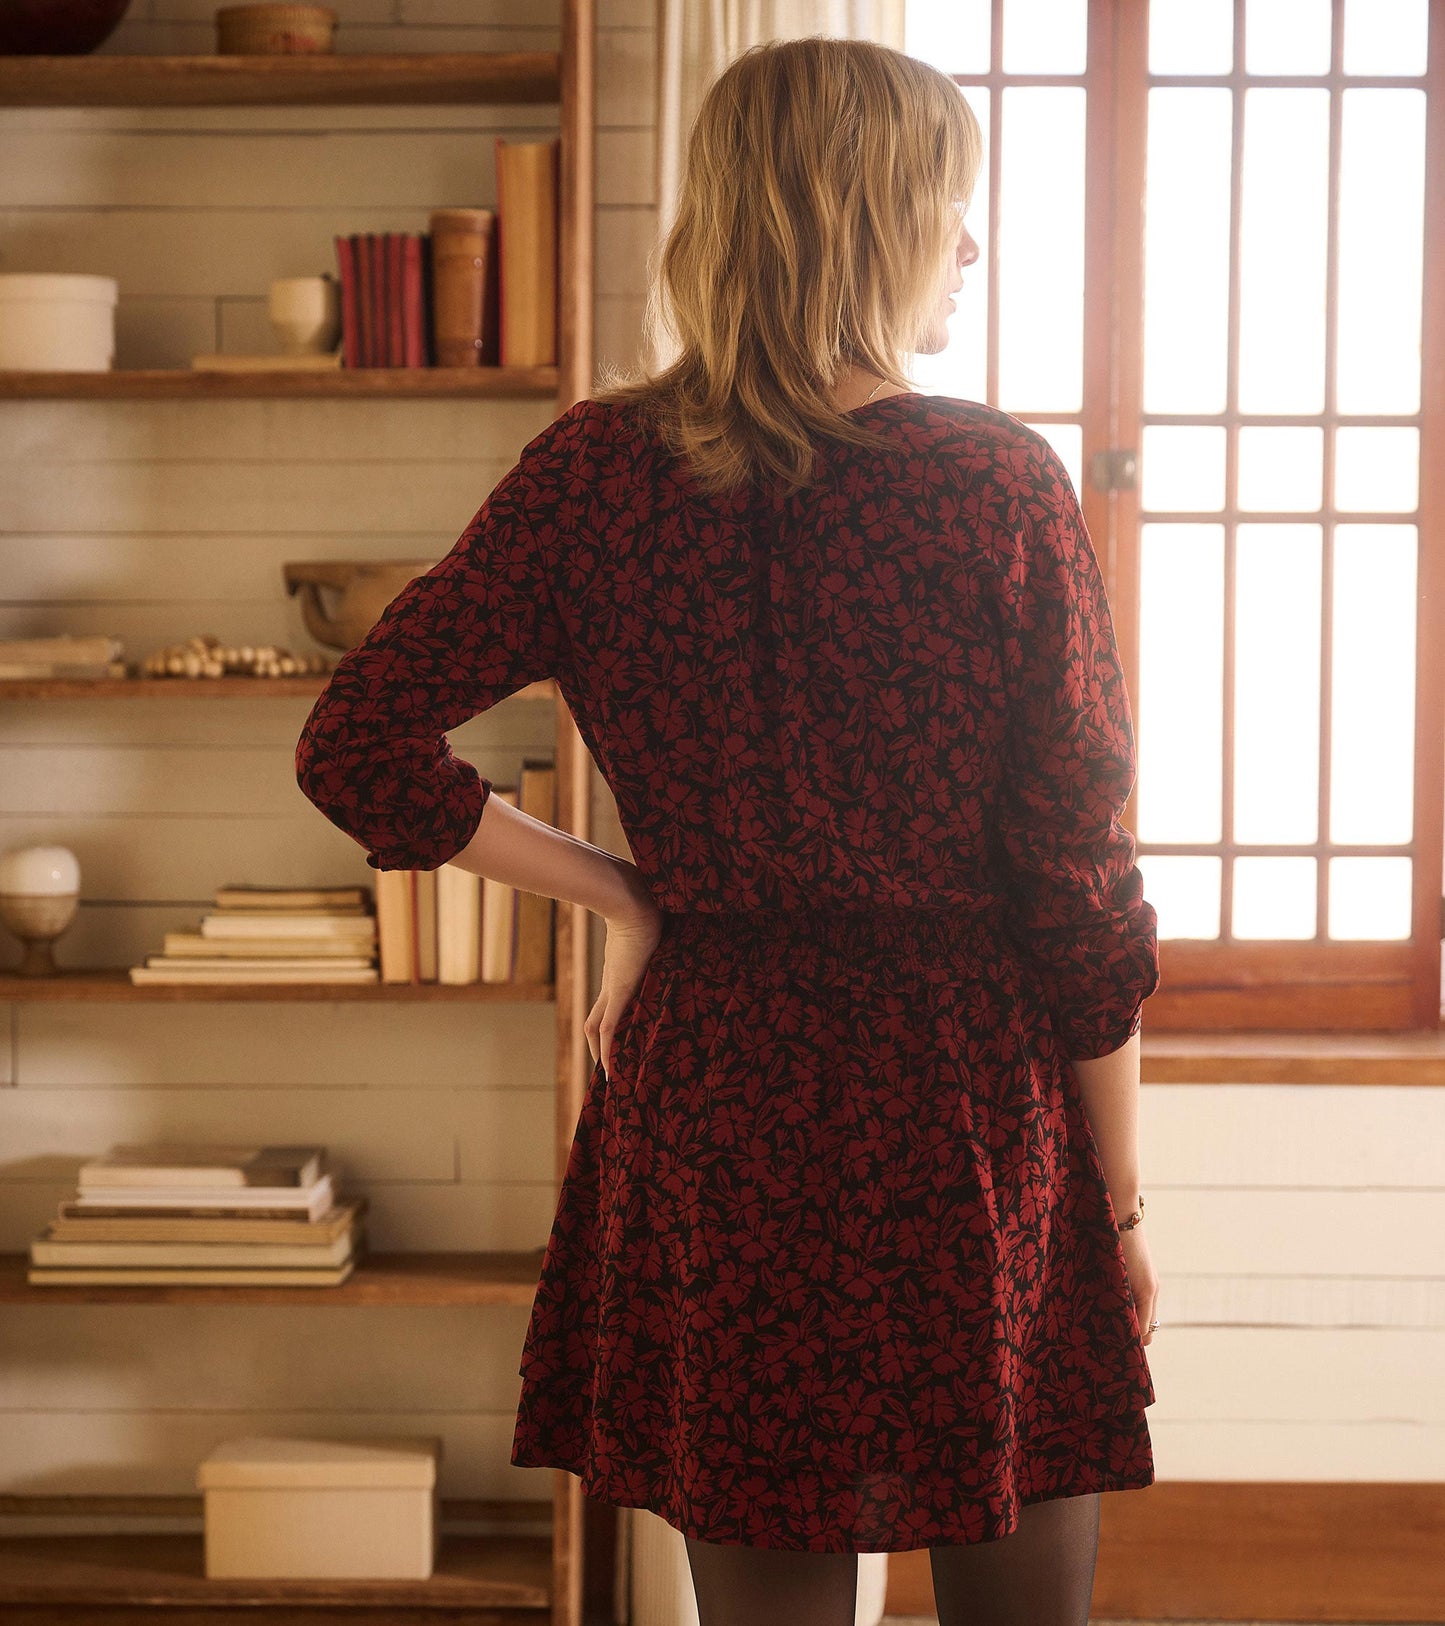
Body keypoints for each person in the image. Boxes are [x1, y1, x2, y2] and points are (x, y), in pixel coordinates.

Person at [294, 33, 1162, 1626]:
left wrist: (628, 894)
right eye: (947, 205)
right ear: (869, 218)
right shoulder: (997, 486)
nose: (970, 245)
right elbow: (1079, 889)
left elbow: (357, 744)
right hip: (962, 1103)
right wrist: (1112, 1202)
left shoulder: (593, 473)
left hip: (721, 1092)